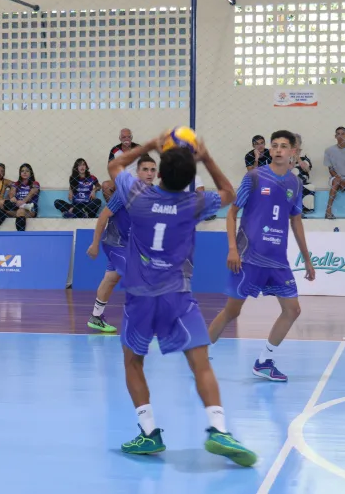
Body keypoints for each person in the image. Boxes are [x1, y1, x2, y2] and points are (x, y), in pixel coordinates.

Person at [107, 133, 256, 466]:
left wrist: (147, 146)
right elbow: (230, 193)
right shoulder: (195, 204)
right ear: (191, 180)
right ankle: (218, 428)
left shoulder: (137, 196)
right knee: (199, 363)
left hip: (140, 298)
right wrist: (205, 157)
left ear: (158, 174)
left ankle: (148, 433)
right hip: (178, 296)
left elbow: (115, 164)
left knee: (133, 361)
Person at [208, 130, 316, 382]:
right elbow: (232, 213)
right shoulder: (254, 177)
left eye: (283, 146)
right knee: (232, 311)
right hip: (249, 257)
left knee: (293, 310)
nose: (278, 149)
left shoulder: (295, 183)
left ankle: (264, 361)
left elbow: (296, 222)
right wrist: (233, 249)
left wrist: (307, 258)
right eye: (274, 145)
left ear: (293, 152)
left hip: (278, 260)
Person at [85, 154, 157, 333]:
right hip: (116, 244)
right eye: (145, 170)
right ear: (138, 172)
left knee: (110, 279)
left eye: (152, 170)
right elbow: (103, 217)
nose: (149, 173)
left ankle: (96, 316)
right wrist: (94, 244)